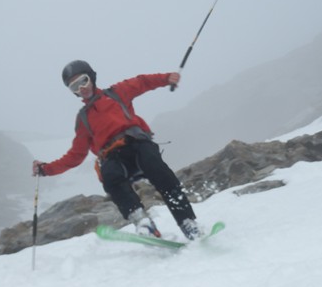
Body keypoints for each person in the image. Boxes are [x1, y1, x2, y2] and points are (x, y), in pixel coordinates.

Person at [32, 60, 201, 240]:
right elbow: (76, 155)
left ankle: (187, 222)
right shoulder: (83, 120)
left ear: (92, 77)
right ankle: (142, 222)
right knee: (109, 176)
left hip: (137, 144)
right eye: (74, 86)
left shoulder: (117, 93)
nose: (81, 88)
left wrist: (167, 78)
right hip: (113, 156)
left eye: (83, 81)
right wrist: (46, 169)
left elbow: (142, 82)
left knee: (156, 167)